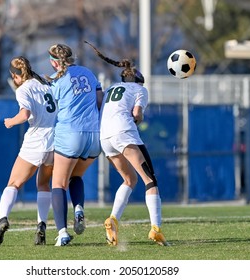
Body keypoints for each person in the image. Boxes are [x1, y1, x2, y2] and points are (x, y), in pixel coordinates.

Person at [85, 41, 169, 246]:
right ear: (139, 80)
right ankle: (155, 229)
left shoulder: (112, 87)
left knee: (129, 180)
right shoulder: (140, 90)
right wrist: (138, 120)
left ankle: (112, 219)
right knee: (150, 180)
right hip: (124, 133)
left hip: (105, 138)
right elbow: (136, 113)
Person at [0, 56, 57, 246]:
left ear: (15, 75)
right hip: (54, 141)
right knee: (44, 185)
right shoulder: (45, 85)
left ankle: (3, 219)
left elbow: (25, 114)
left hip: (35, 142)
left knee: (13, 183)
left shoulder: (23, 89)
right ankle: (41, 226)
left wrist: (11, 122)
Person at [45, 43, 103, 246]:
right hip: (95, 135)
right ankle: (78, 209)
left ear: (53, 62)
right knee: (76, 176)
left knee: (58, 183)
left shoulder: (57, 80)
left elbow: (49, 108)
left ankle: (62, 233)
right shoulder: (88, 72)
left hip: (70, 134)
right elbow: (99, 101)